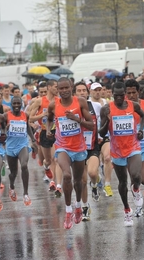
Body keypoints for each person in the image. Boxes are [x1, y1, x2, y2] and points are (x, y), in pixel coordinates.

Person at [46, 77, 94, 229]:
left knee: (78, 181)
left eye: (67, 88)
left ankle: (78, 206)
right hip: (62, 147)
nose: (64, 91)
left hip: (79, 147)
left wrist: (76, 119)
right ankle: (68, 212)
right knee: (67, 175)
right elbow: (49, 119)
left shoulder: (80, 102)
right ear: (58, 90)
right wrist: (48, 130)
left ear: (71, 87)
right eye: (61, 89)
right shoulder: (54, 105)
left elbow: (91, 125)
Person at [99, 81, 144, 227]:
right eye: (116, 95)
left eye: (121, 95)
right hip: (117, 150)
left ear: (124, 94)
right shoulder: (106, 109)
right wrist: (107, 121)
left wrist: (141, 130)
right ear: (112, 94)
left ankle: (136, 189)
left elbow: (143, 116)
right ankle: (127, 210)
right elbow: (101, 132)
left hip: (133, 147)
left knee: (136, 175)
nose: (119, 98)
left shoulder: (133, 105)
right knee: (122, 182)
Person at [73, 81, 102, 221]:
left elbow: (102, 122)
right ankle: (85, 207)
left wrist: (102, 136)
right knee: (82, 181)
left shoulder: (95, 106)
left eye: (84, 90)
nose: (82, 93)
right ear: (74, 93)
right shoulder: (71, 108)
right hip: (77, 148)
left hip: (92, 147)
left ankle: (95, 184)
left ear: (88, 92)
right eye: (78, 91)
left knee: (91, 173)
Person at [4, 96, 38, 206]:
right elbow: (1, 130)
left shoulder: (25, 115)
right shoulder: (6, 116)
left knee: (24, 166)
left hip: (22, 145)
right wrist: (6, 129)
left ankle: (25, 194)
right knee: (13, 173)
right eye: (14, 104)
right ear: (11, 105)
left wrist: (33, 139)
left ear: (22, 104)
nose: (17, 106)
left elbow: (27, 126)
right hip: (10, 147)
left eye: (18, 103)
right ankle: (12, 186)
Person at [28, 80, 58, 192]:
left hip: (56, 132)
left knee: (55, 158)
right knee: (48, 160)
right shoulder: (39, 101)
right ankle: (46, 168)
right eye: (55, 87)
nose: (57, 89)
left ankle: (53, 182)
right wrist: (43, 114)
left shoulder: (58, 100)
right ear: (50, 87)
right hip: (44, 132)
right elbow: (30, 118)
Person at [89, 82, 113, 197]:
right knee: (95, 165)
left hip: (105, 135)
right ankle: (97, 179)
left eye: (99, 89)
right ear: (91, 91)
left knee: (107, 157)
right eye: (95, 90)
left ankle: (107, 185)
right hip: (92, 138)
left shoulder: (106, 103)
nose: (97, 92)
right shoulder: (87, 104)